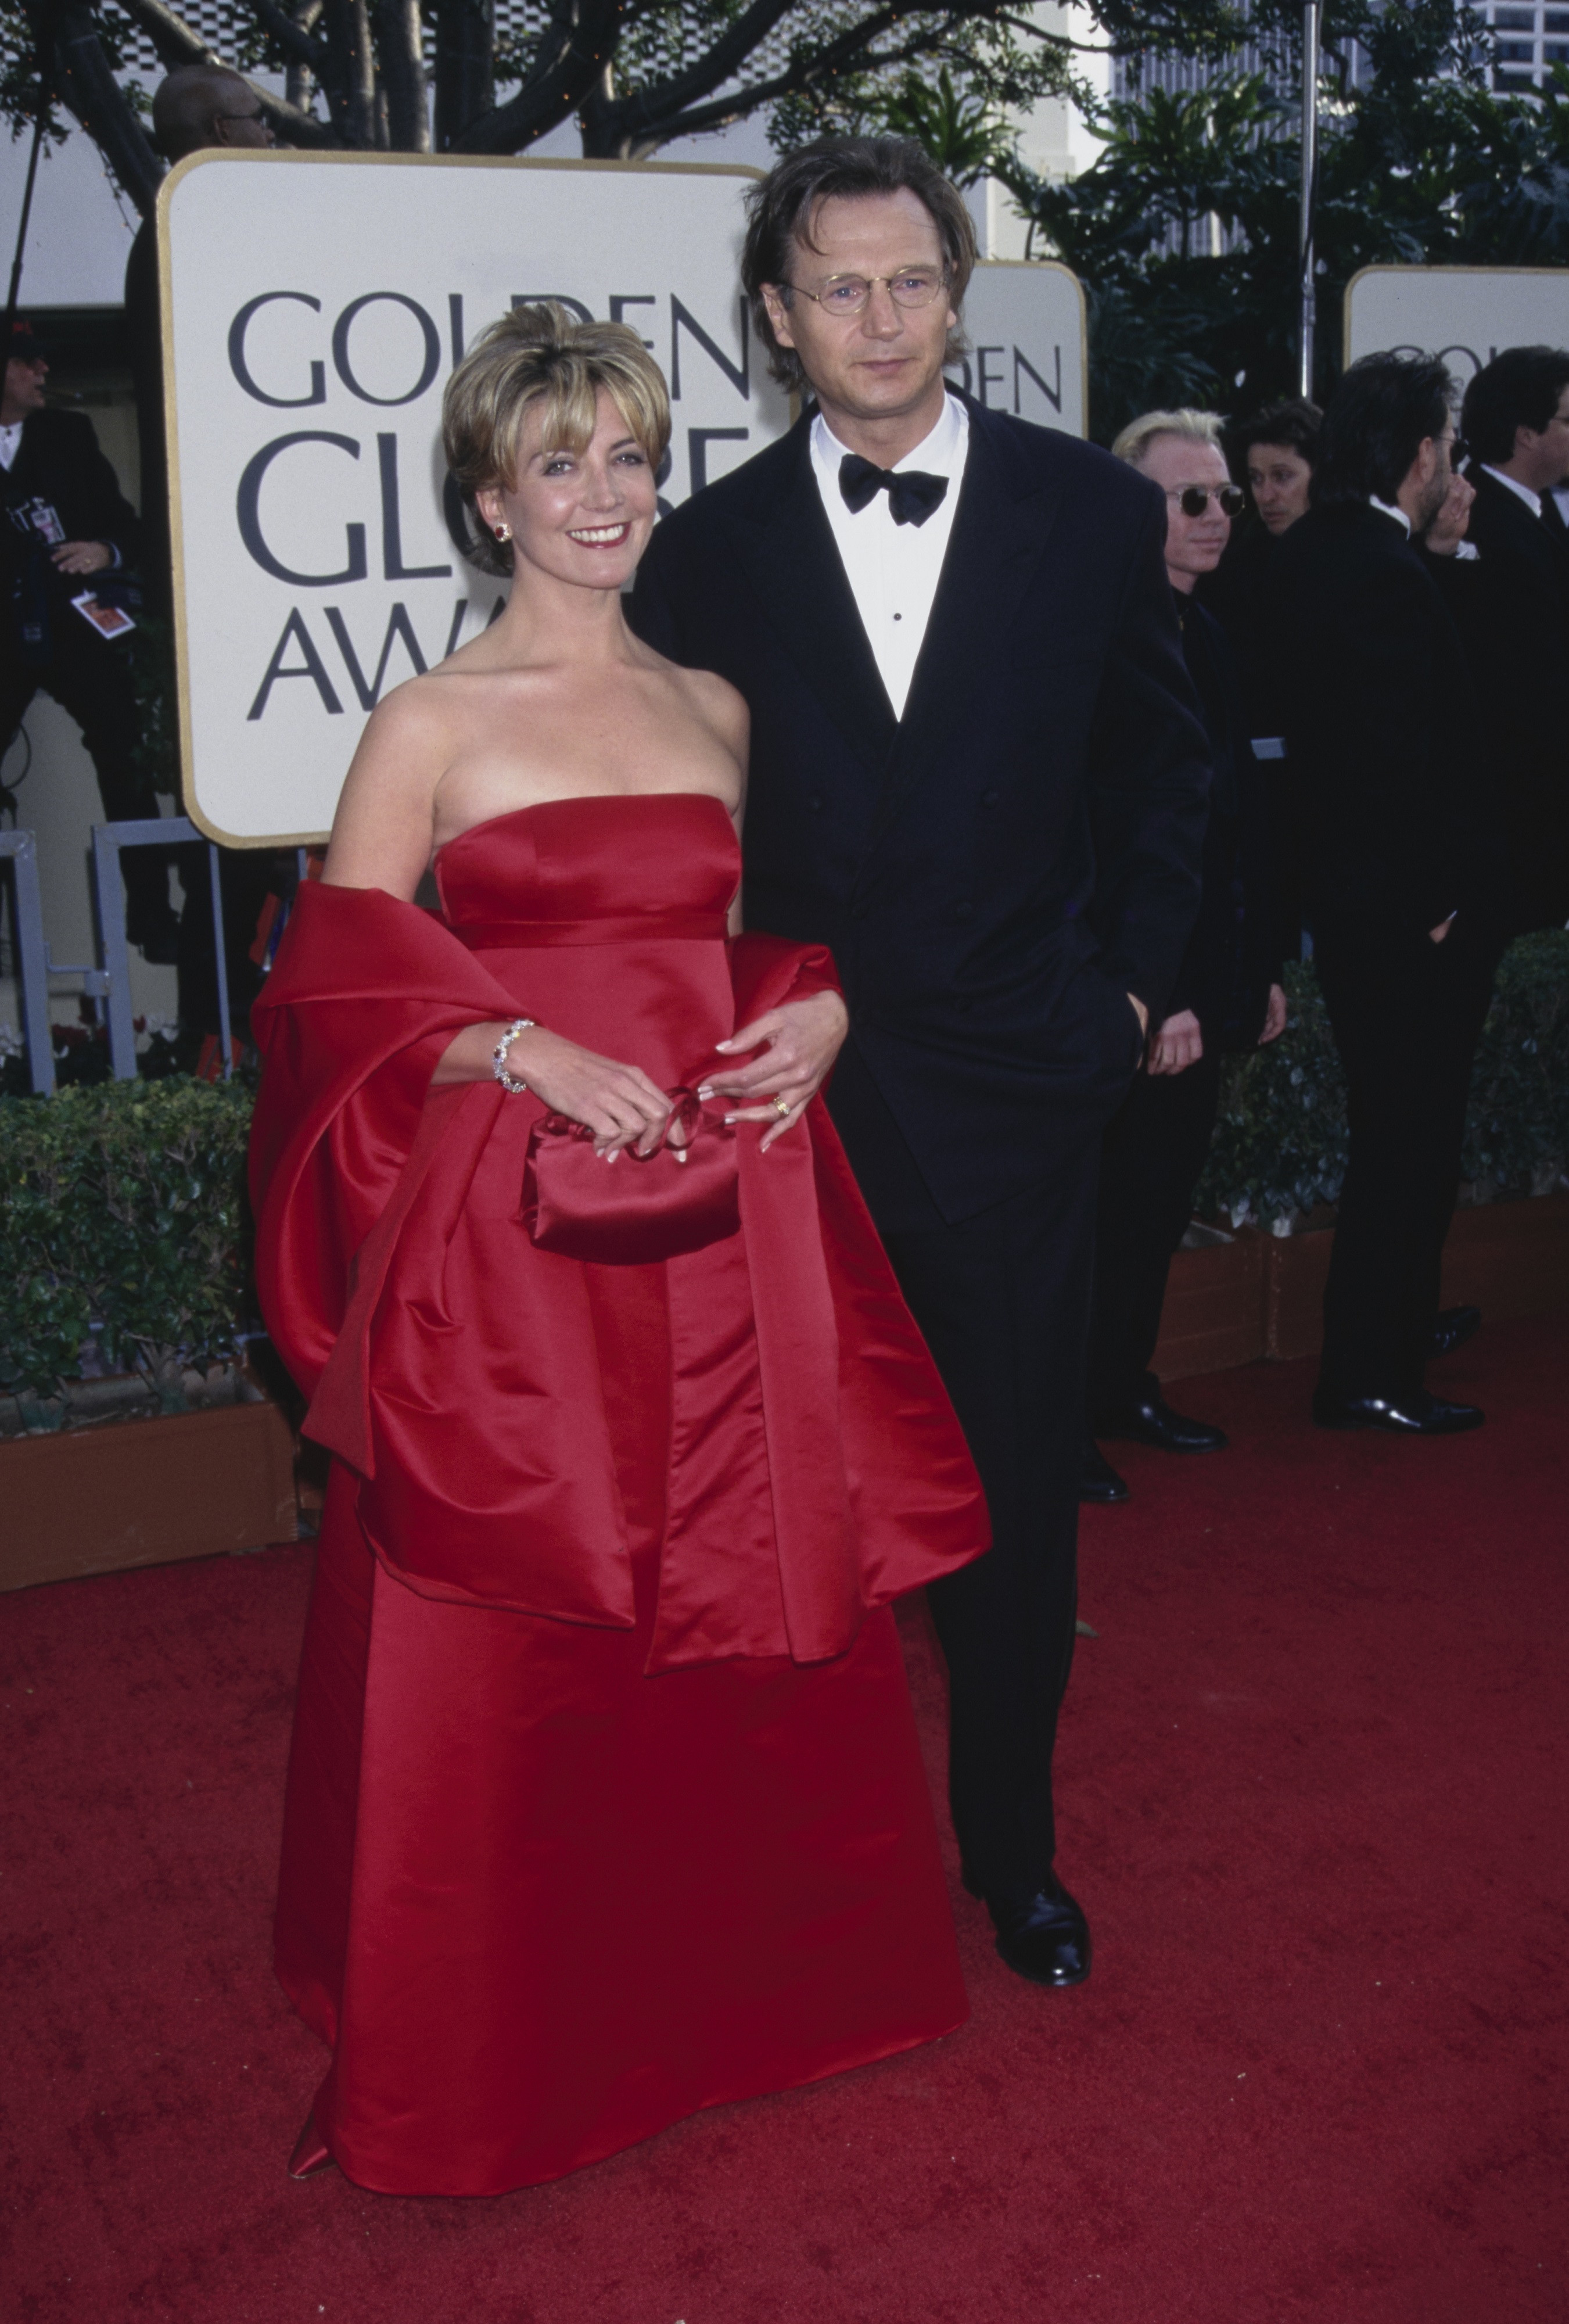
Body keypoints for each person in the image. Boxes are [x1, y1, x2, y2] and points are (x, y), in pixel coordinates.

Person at [249, 304, 989, 2197]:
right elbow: (336, 990)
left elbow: (746, 944)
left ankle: (763, 1995)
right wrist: (510, 1044)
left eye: (629, 456)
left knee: (739, 1585)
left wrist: (817, 1008)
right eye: (560, 462)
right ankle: (494, 2047)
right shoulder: (431, 721)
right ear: (491, 499)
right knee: (524, 1605)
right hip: (523, 1238)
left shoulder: (715, 708)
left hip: (731, 1212)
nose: (605, 495)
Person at [631, 138, 1211, 1989]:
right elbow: (669, 830)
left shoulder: (1086, 514)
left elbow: (1164, 777)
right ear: (778, 319)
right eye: (836, 288)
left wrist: (1124, 1002)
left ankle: (1012, 1853)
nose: (878, 320)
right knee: (780, 1504)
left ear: (957, 293)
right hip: (784, 1105)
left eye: (910, 281)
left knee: (1015, 1498)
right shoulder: (706, 552)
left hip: (1013, 1092)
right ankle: (800, 1852)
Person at [1262, 353, 1507, 1436]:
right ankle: (1368, 1371)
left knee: (1402, 1136)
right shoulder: (1372, 566)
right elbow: (1384, 761)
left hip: (1365, 907)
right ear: (1420, 453)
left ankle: (1389, 1343)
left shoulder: (1326, 552)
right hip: (1401, 918)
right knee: (1409, 1140)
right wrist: (1435, 898)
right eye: (1445, 448)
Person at [1083, 411, 1286, 1505]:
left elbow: (1235, 822)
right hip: (1138, 997)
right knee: (1106, 1211)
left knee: (1157, 1204)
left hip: (1200, 984)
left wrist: (1251, 972)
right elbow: (1113, 840)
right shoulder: (1104, 636)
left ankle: (1122, 1387)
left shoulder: (1202, 630)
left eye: (1225, 499)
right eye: (1191, 499)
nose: (1216, 517)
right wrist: (1152, 996)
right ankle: (1066, 1416)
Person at [0, 320, 178, 958]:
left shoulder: (67, 434)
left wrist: (104, 550)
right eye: (30, 363)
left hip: (74, 625)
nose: (45, 373)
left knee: (124, 754)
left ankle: (152, 915)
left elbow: (124, 523)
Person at [1454, 346, 1569, 934]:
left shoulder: (1534, 511)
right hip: (1513, 825)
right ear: (1526, 434)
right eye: (1568, 419)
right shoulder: (1477, 521)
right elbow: (1526, 688)